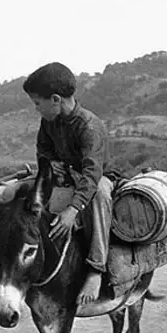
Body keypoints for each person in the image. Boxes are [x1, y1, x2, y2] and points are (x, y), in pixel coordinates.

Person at [23, 61, 112, 306]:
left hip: (95, 179)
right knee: (27, 190)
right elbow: (43, 150)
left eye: (37, 103)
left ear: (55, 99)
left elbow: (93, 173)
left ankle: (96, 269)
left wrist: (72, 211)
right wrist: (51, 164)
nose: (36, 109)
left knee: (101, 193)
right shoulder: (48, 122)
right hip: (67, 177)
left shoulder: (89, 127)